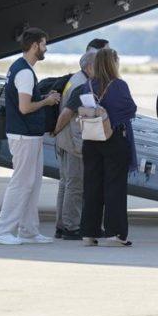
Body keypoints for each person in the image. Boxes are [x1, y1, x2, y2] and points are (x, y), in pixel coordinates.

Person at [0, 28, 61, 245]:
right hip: (24, 137)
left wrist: (43, 97)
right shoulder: (25, 73)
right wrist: (47, 102)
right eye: (44, 44)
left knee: (33, 183)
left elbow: (27, 101)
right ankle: (1, 230)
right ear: (35, 45)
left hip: (29, 136)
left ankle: (28, 230)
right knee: (21, 183)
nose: (45, 49)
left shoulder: (20, 69)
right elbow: (25, 107)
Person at [58, 47, 138, 246]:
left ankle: (88, 232)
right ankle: (115, 233)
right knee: (115, 187)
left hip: (91, 141)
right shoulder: (119, 85)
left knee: (92, 187)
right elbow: (130, 109)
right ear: (113, 63)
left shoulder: (88, 86)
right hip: (113, 140)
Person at [52, 50, 96, 241]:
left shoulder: (75, 78)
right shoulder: (82, 85)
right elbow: (67, 114)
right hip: (73, 142)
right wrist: (56, 130)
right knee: (75, 185)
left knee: (65, 184)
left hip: (64, 139)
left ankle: (61, 226)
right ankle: (71, 226)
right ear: (89, 67)